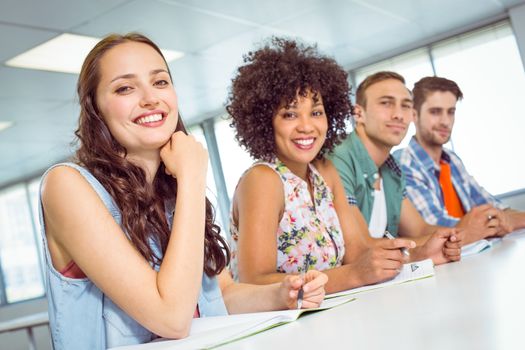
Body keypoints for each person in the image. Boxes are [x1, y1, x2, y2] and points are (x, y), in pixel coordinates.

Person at [38, 33, 327, 350]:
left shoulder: (173, 184)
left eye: (160, 82)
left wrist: (282, 293)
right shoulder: (67, 185)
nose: (151, 98)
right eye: (125, 88)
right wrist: (191, 176)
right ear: (95, 109)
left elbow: (219, 296)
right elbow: (171, 318)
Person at [226, 38, 453, 295]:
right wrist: (354, 275)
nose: (306, 126)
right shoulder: (262, 180)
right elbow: (253, 282)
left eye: (316, 112)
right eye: (289, 114)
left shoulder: (324, 172)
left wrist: (419, 255)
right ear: (266, 122)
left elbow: (356, 250)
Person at [329, 71, 461, 258]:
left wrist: (455, 236)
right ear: (359, 113)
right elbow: (360, 247)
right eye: (386, 103)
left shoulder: (392, 169)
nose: (399, 115)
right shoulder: (338, 158)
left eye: (406, 106)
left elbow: (419, 230)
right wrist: (428, 246)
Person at [396, 76, 525, 241]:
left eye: (451, 112)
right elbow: (434, 229)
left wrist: (504, 219)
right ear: (414, 114)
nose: (445, 121)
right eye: (435, 112)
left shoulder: (451, 159)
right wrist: (496, 222)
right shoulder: (404, 164)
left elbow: (495, 208)